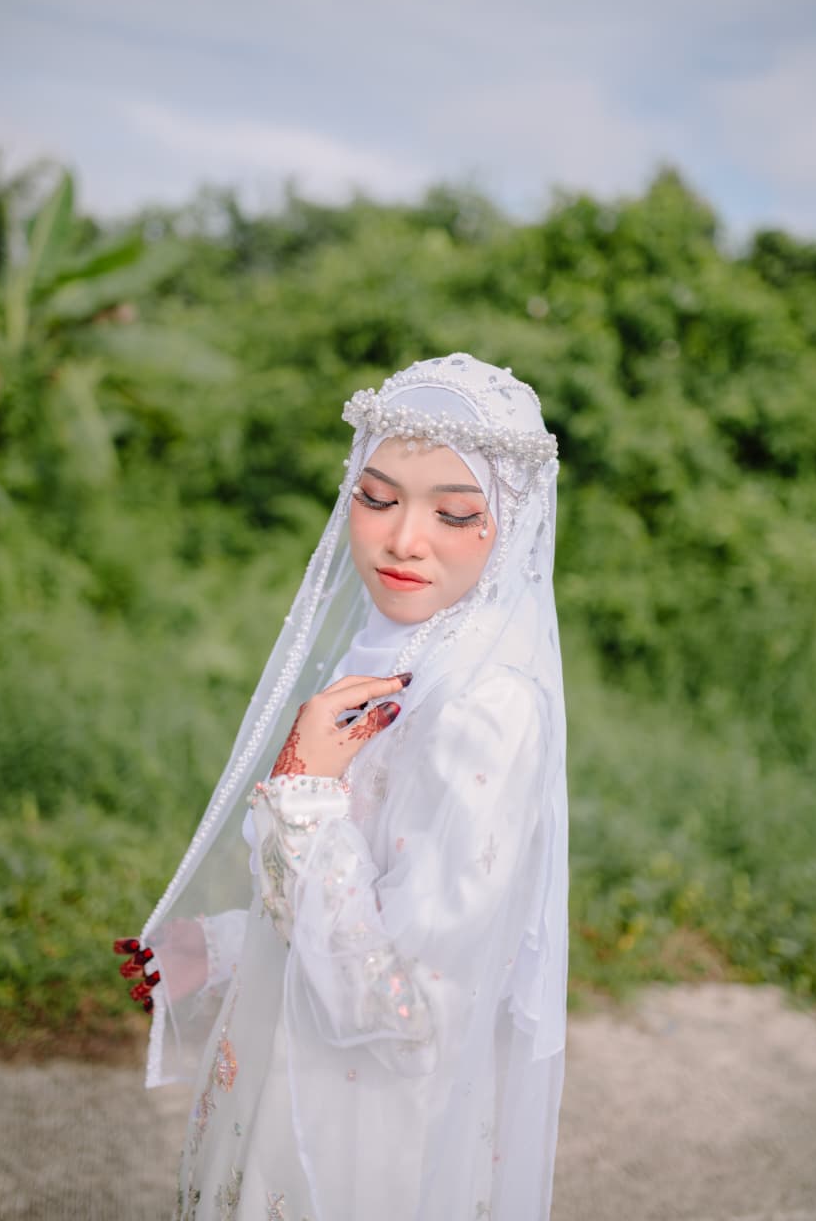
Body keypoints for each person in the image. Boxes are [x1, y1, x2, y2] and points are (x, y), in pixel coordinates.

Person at [115, 352, 569, 1220]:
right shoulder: (392, 651)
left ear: (510, 525)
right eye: (377, 497)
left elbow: (404, 1005)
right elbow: (368, 893)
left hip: (356, 1127)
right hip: (292, 1069)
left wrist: (301, 794)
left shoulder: (484, 710)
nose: (404, 540)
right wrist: (220, 948)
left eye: (455, 513)